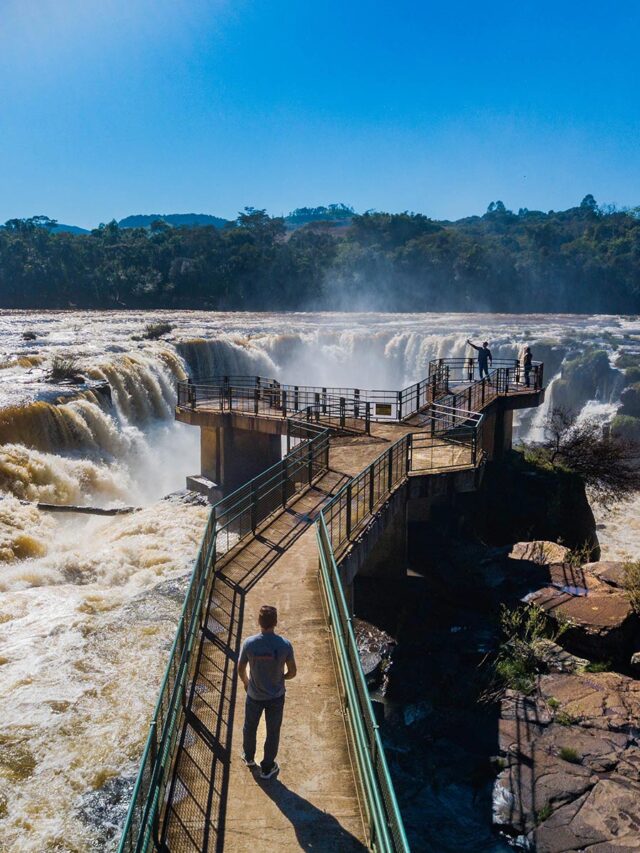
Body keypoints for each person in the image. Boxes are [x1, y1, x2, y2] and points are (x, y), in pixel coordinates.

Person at [238, 604, 297, 779]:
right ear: (276, 622)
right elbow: (293, 672)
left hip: (254, 695)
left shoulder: (249, 643)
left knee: (250, 727)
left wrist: (246, 683)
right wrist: (282, 678)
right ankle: (267, 767)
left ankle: (249, 758)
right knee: (273, 731)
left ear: (259, 622)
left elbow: (241, 669)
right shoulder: (285, 645)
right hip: (276, 696)